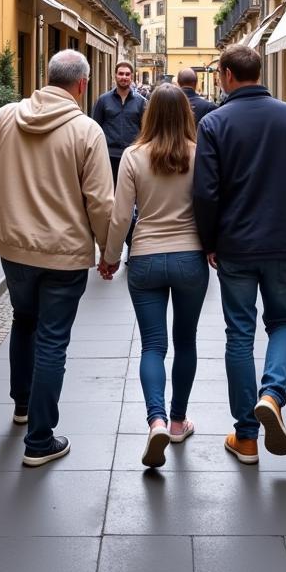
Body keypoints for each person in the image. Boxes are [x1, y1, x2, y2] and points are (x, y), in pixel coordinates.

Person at [0, 50, 113, 468]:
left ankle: (22, 405)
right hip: (65, 255)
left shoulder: (8, 116)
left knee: (24, 320)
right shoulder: (87, 131)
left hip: (14, 250)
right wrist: (109, 251)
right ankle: (40, 439)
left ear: (46, 77)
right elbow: (102, 203)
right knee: (52, 339)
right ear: (82, 85)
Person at [192, 44, 286, 465]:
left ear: (229, 76)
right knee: (284, 321)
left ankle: (247, 437)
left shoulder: (214, 123)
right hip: (284, 241)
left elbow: (205, 192)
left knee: (239, 333)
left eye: (219, 75)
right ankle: (272, 394)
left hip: (235, 244)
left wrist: (210, 239)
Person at [100, 84, 207, 469]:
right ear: (186, 115)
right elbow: (213, 203)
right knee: (186, 341)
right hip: (190, 258)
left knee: (153, 346)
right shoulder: (200, 154)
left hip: (145, 257)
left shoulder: (132, 156)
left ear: (148, 115)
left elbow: (120, 214)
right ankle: (178, 422)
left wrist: (110, 257)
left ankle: (156, 420)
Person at [92, 61, 147, 189]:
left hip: (133, 155)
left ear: (131, 77)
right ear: (115, 76)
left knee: (132, 191)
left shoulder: (141, 102)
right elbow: (95, 127)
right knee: (109, 190)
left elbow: (145, 130)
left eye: (127, 74)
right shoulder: (103, 100)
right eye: (121, 74)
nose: (124, 77)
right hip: (108, 155)